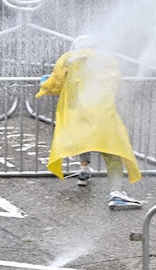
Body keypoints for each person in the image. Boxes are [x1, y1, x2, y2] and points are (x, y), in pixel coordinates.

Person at [35, 35, 143, 211]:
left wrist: (44, 83)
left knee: (84, 141)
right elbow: (115, 83)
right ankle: (116, 193)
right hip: (102, 113)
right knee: (112, 153)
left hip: (77, 112)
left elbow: (54, 85)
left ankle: (84, 170)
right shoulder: (108, 59)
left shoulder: (68, 58)